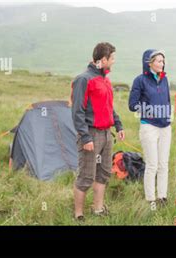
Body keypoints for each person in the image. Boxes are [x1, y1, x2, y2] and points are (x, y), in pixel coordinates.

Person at [71, 42, 125, 221]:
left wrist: (118, 125)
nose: (114, 61)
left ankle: (98, 209)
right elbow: (77, 111)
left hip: (106, 134)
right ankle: (78, 215)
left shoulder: (105, 80)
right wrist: (85, 137)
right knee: (86, 175)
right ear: (103, 59)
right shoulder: (83, 79)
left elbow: (109, 107)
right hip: (90, 134)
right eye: (112, 58)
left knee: (103, 174)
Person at [128, 49, 172, 210]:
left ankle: (162, 196)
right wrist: (151, 110)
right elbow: (132, 105)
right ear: (149, 62)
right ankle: (150, 199)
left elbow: (167, 100)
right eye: (159, 61)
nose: (162, 64)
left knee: (163, 164)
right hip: (149, 126)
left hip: (166, 127)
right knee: (152, 164)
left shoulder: (164, 79)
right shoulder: (140, 80)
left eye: (163, 61)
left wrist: (167, 114)